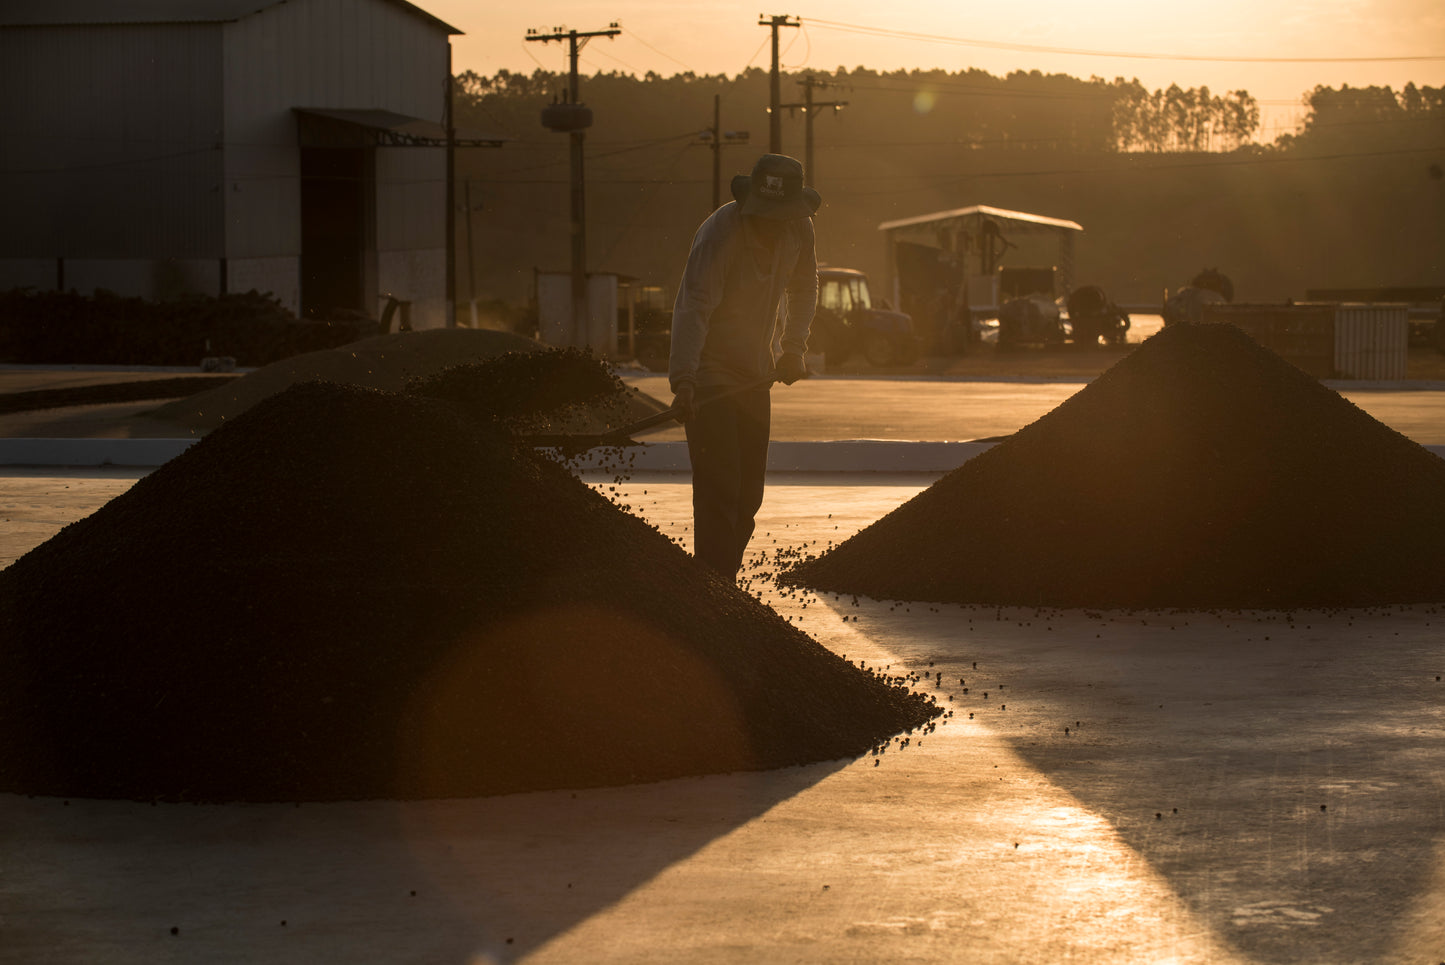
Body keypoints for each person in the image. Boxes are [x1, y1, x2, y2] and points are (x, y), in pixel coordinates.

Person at [668, 153, 820, 578]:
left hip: (756, 375)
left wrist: (793, 348)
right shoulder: (721, 232)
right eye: (765, 215)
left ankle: (721, 586)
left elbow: (805, 286)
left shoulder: (799, 228)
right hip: (710, 376)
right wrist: (684, 379)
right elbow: (694, 306)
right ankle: (714, 590)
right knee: (721, 492)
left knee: (749, 493)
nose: (772, 223)